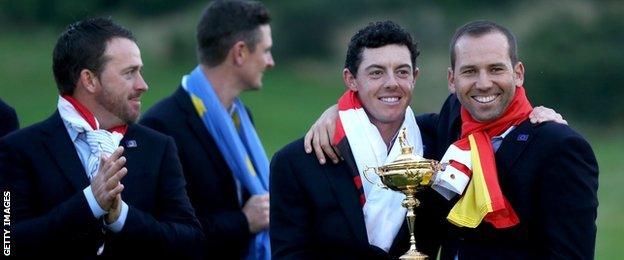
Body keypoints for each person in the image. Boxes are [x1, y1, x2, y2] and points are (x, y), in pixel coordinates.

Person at [306, 20, 598, 259]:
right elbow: (391, 124)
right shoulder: (451, 121)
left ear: (518, 73)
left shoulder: (559, 146)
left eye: (495, 69)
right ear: (451, 80)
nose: (483, 83)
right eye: (469, 71)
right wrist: (339, 112)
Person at [0, 17, 203, 258]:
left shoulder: (158, 148)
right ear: (90, 80)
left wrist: (121, 217)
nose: (143, 85)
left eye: (140, 71)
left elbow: (192, 244)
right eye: (129, 73)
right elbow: (8, 245)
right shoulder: (19, 149)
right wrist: (89, 204)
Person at [270, 20, 435, 259]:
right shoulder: (296, 163)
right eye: (376, 73)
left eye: (402, 71)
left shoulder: (435, 141)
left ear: (415, 77)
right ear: (351, 80)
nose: (391, 83)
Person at [140, 1, 273, 259]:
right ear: (240, 52)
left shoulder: (242, 120)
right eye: (266, 51)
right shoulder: (161, 127)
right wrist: (243, 222)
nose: (271, 62)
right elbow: (160, 233)